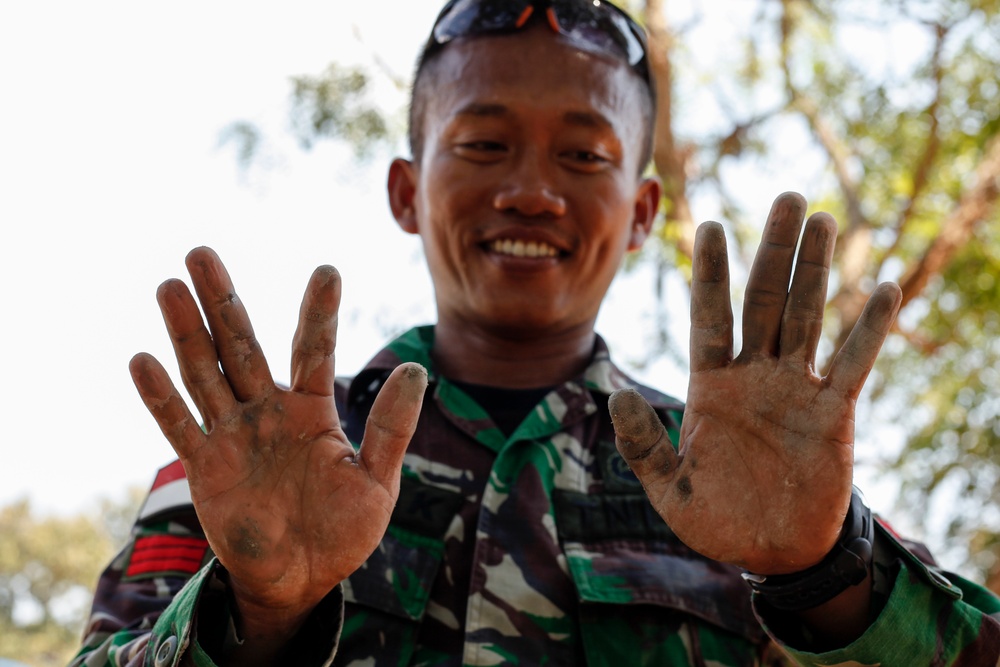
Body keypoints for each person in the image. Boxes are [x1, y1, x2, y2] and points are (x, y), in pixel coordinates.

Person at [74, 1, 1000, 665]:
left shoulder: (743, 471)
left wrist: (825, 572)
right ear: (406, 190)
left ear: (641, 212)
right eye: (482, 144)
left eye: (585, 155)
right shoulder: (253, 459)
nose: (532, 190)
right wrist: (261, 612)